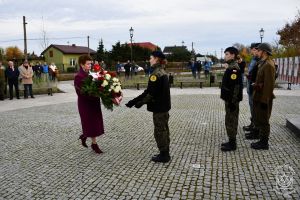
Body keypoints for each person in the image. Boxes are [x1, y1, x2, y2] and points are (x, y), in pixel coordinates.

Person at [126, 51, 171, 163]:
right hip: (164, 106)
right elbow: (151, 92)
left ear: (156, 59)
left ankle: (164, 155)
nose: (149, 60)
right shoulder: (162, 71)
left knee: (159, 131)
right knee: (164, 130)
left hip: (159, 107)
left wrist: (139, 103)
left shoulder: (155, 74)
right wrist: (134, 101)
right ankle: (165, 152)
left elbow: (150, 93)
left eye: (151, 58)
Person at [74, 54, 104, 154]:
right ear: (82, 65)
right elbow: (81, 93)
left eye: (91, 63)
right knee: (90, 123)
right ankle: (94, 144)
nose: (90, 65)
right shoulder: (78, 77)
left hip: (94, 102)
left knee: (95, 123)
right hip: (85, 104)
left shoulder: (91, 74)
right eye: (88, 64)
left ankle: (85, 135)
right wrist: (97, 94)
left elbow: (98, 85)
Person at [251, 43, 275, 150]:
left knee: (264, 120)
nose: (258, 52)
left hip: (264, 97)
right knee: (260, 118)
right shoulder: (263, 63)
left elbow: (269, 85)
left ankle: (264, 143)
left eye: (259, 50)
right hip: (259, 95)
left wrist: (265, 100)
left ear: (264, 52)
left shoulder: (268, 65)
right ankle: (261, 140)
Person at [220, 47, 243, 151]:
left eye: (227, 54)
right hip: (229, 99)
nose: (225, 56)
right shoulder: (230, 67)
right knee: (229, 119)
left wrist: (233, 102)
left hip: (231, 100)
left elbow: (235, 87)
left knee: (231, 120)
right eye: (225, 54)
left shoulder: (234, 68)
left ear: (233, 55)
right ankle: (231, 141)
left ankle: (232, 144)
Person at [244, 43, 261, 139]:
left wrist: (250, 76)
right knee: (252, 108)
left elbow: (257, 75)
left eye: (253, 50)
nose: (252, 51)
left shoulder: (259, 61)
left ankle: (256, 129)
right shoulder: (254, 59)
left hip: (254, 88)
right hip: (250, 88)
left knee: (255, 109)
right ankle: (253, 125)